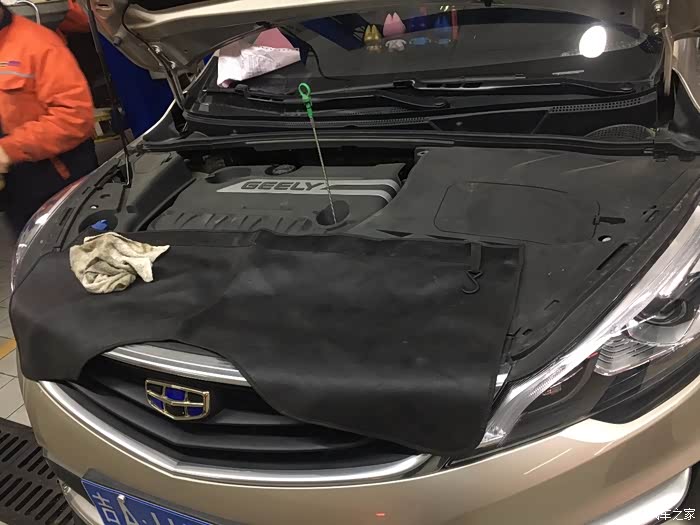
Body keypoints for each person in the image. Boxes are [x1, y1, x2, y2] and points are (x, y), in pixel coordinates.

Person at [0, 3, 97, 236]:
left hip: (56, 178)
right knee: (28, 245)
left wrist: (8, 150)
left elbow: (76, 116)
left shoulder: (38, 44)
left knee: (75, 246)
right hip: (14, 186)